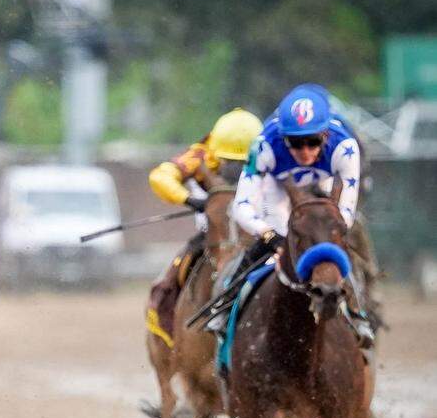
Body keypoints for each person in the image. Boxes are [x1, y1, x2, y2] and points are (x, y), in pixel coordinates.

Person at [229, 83, 375, 347]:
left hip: (326, 182)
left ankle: (359, 312)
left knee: (333, 237)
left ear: (326, 136)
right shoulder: (264, 146)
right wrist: (270, 236)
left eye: (312, 142)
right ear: (283, 138)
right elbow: (241, 206)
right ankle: (228, 305)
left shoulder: (345, 147)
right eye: (295, 143)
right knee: (275, 241)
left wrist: (328, 238)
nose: (305, 151)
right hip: (278, 183)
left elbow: (345, 215)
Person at [145, 108, 262, 343]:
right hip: (212, 233)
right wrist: (191, 200)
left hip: (257, 233)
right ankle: (167, 334)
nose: (235, 168)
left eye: (241, 162)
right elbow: (160, 177)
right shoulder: (200, 154)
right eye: (228, 161)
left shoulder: (271, 154)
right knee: (170, 279)